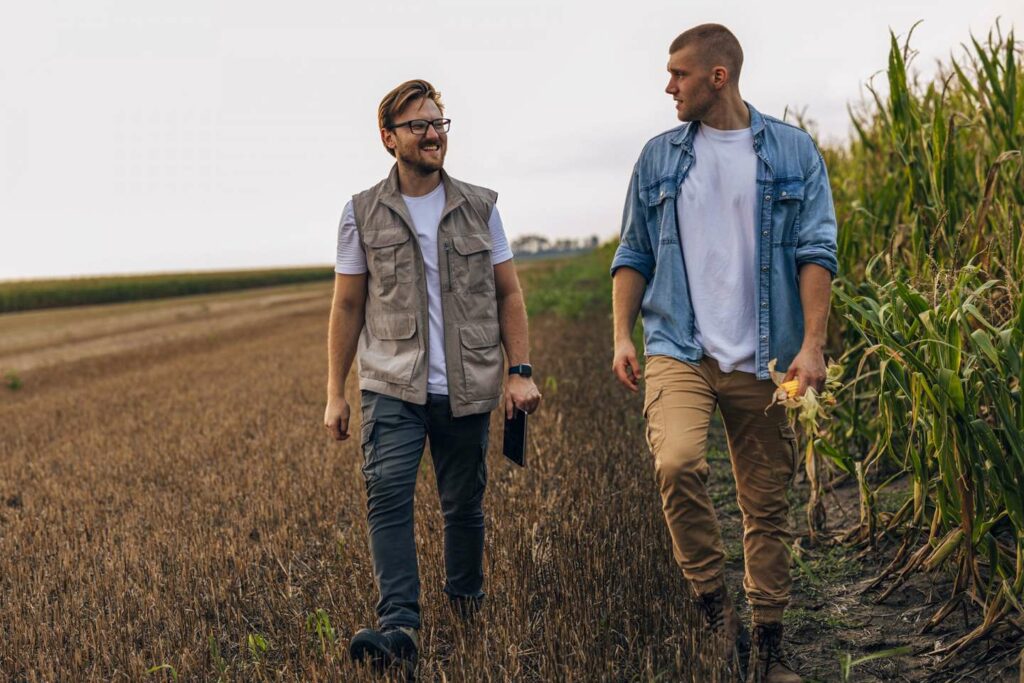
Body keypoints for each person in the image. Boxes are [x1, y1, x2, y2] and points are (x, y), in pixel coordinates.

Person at [610, 24, 838, 683]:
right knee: (678, 461)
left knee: (767, 505)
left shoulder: (794, 153)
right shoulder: (658, 158)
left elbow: (815, 251)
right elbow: (634, 254)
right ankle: (713, 608)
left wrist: (813, 345)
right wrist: (624, 335)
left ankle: (768, 644)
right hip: (679, 344)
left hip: (770, 361)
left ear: (718, 77)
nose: (668, 85)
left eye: (678, 73)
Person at [324, 79, 541, 675]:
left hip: (466, 382)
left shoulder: (481, 205)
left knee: (463, 504)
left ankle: (466, 605)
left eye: (439, 122)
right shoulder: (360, 212)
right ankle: (399, 626)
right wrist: (334, 393)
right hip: (391, 382)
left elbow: (509, 294)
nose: (432, 133)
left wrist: (519, 373)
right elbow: (346, 307)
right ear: (389, 138)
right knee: (387, 495)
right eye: (418, 125)